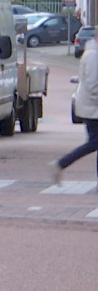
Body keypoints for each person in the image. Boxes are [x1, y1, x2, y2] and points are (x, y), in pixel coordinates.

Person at [50, 31, 98, 188]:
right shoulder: (93, 56)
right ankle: (60, 164)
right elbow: (92, 86)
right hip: (93, 108)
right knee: (94, 143)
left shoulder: (92, 54)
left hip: (92, 107)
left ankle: (60, 164)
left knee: (95, 143)